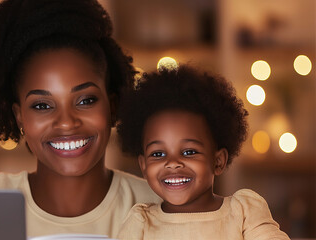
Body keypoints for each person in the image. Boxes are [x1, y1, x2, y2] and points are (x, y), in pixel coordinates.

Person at [0, 0, 160, 238]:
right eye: (42, 105)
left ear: (112, 106)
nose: (67, 122)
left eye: (85, 100)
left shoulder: (159, 206)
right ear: (20, 119)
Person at [116, 64, 290, 239]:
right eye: (158, 154)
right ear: (144, 165)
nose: (173, 163)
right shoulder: (141, 223)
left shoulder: (243, 213)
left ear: (218, 161)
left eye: (189, 152)